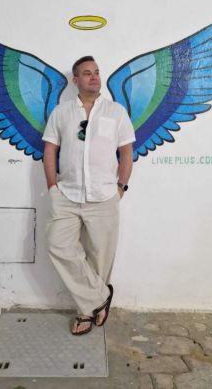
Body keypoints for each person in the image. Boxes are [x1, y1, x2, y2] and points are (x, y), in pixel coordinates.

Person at [42, 56, 135, 335]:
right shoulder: (61, 112)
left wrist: (121, 187)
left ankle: (86, 311)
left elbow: (127, 152)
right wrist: (51, 187)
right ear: (75, 80)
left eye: (96, 72)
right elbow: (50, 150)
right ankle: (100, 298)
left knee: (100, 257)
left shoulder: (116, 112)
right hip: (66, 194)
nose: (94, 77)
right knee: (57, 245)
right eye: (87, 73)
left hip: (105, 195)